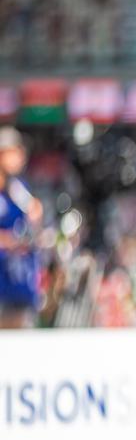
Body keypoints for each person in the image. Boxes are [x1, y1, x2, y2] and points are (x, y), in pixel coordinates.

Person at [0, 127, 42, 329]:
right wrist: (9, 241)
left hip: (20, 283)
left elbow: (34, 216)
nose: (19, 157)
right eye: (12, 152)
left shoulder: (18, 188)